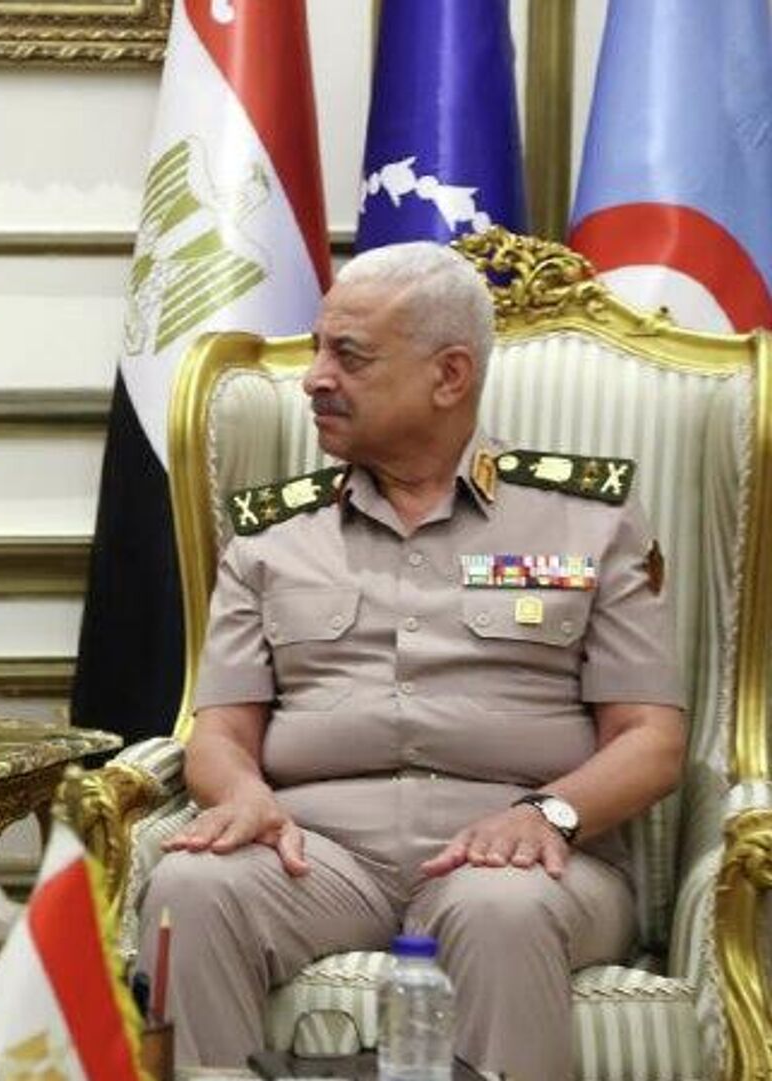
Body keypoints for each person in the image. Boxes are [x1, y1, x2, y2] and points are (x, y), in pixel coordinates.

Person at [135, 242, 686, 1080]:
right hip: (317, 857)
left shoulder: (586, 519)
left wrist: (549, 815)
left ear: (450, 375)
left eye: (349, 356)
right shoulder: (274, 533)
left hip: (524, 856)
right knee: (193, 887)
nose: (314, 378)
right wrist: (243, 794)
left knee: (500, 909)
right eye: (317, 349)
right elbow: (220, 733)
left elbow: (651, 738)